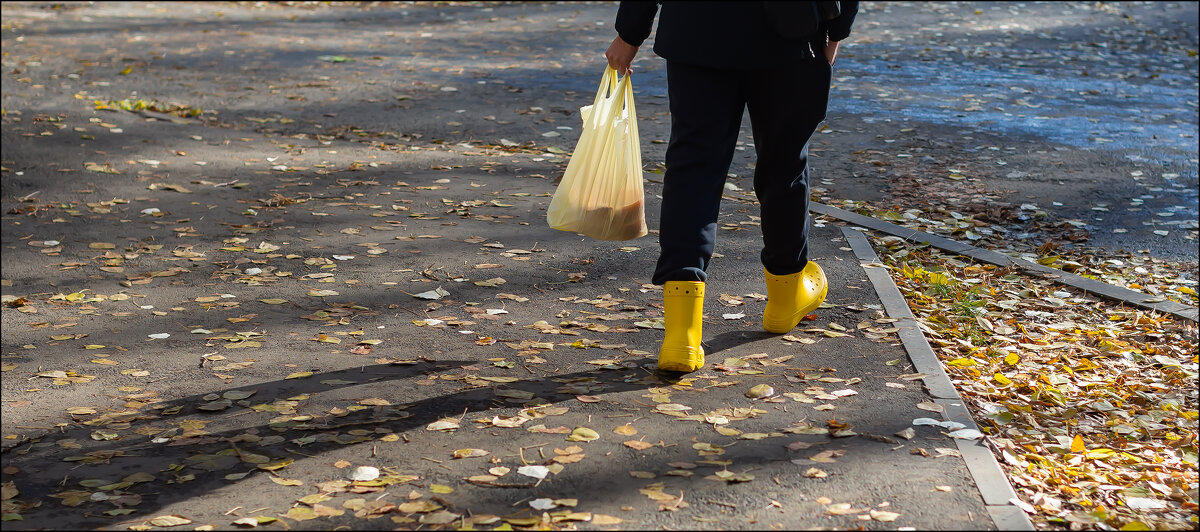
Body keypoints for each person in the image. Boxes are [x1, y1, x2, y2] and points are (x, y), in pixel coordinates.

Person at [605, 1, 858, 372]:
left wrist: (630, 33)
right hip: (790, 33)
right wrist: (836, 30)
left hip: (697, 31)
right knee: (784, 164)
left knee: (693, 170)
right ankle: (785, 297)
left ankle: (681, 336)